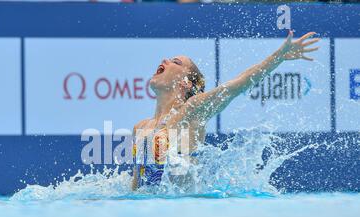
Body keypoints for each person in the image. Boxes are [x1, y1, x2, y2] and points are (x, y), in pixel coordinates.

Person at [132, 30, 320, 190]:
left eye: (176, 62)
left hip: (188, 210)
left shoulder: (191, 112)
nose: (165, 59)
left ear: (185, 83)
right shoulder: (140, 127)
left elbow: (236, 85)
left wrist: (278, 57)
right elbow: (136, 188)